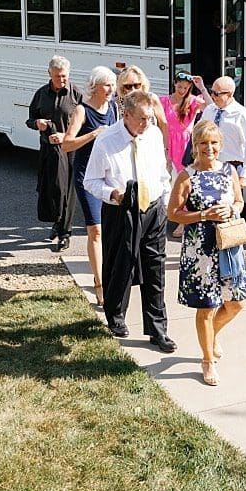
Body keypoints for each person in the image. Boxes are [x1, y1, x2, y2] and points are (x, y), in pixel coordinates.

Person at [84, 90, 177, 353]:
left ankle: (158, 330)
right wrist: (111, 194)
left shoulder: (154, 135)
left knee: (154, 270)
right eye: (141, 119)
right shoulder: (106, 142)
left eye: (150, 118)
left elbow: (162, 172)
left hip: (153, 208)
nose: (146, 124)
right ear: (126, 115)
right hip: (121, 209)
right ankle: (115, 315)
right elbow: (90, 181)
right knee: (120, 264)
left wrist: (166, 201)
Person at [168, 121, 246, 386]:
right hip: (200, 252)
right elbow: (172, 213)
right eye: (204, 143)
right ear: (195, 145)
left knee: (235, 303)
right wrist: (204, 214)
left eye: (214, 142)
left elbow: (239, 201)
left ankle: (211, 336)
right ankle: (207, 361)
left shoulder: (229, 171)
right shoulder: (187, 176)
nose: (209, 148)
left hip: (228, 247)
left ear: (221, 145)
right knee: (206, 307)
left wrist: (232, 210)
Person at [61, 67, 120, 305]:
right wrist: (94, 134)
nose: (111, 89)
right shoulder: (82, 111)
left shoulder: (114, 108)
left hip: (111, 177)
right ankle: (100, 283)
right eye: (107, 85)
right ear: (94, 86)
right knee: (95, 229)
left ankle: (114, 274)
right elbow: (67, 144)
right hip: (87, 177)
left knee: (111, 229)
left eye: (112, 85)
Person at [28, 56, 80, 251]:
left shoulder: (76, 94)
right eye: (58, 76)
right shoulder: (41, 94)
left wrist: (65, 134)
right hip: (48, 150)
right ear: (49, 74)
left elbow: (86, 124)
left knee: (67, 192)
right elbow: (30, 118)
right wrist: (37, 124)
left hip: (70, 149)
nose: (62, 80)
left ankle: (65, 233)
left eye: (65, 76)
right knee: (52, 189)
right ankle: (57, 224)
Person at [199, 76, 246, 189]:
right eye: (212, 92)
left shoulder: (242, 115)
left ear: (230, 94)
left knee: (226, 205)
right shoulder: (209, 110)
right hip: (208, 165)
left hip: (230, 168)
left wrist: (244, 176)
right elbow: (199, 134)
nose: (212, 96)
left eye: (217, 94)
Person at [161, 75, 206, 170]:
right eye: (179, 87)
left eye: (186, 88)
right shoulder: (163, 101)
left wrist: (202, 88)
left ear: (190, 87)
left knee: (184, 174)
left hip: (185, 143)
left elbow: (211, 108)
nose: (182, 90)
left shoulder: (194, 101)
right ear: (174, 84)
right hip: (167, 141)